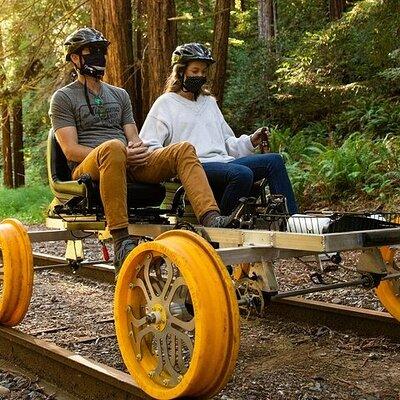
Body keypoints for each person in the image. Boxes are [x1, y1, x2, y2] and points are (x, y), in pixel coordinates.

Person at [49, 29, 233, 274]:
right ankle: (121, 240)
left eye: (102, 51)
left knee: (183, 149)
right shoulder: (63, 98)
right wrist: (120, 152)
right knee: (113, 148)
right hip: (89, 167)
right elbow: (70, 150)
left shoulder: (119, 95)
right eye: (91, 52)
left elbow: (134, 139)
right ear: (75, 59)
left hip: (125, 160)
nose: (99, 56)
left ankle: (210, 216)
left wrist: (135, 149)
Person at [139, 43, 298, 216]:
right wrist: (172, 166)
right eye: (195, 71)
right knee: (242, 173)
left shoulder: (209, 102)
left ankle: (291, 220)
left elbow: (227, 143)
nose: (200, 76)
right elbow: (150, 147)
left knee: (274, 161)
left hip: (225, 162)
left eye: (204, 72)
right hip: (195, 167)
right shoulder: (165, 103)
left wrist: (251, 140)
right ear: (180, 71)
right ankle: (224, 221)